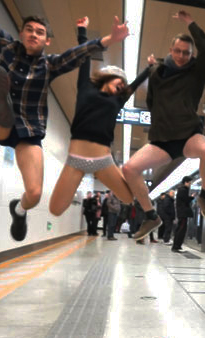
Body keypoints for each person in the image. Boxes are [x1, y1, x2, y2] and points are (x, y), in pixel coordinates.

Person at [0, 0, 128, 241]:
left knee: (35, 193)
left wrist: (110, 38)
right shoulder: (6, 46)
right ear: (22, 33)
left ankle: (19, 210)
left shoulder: (49, 65)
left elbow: (77, 55)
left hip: (29, 131)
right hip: (1, 123)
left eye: (40, 32)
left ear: (47, 41)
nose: (33, 35)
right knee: (0, 113)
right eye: (29, 30)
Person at [122, 10, 205, 241]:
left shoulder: (197, 73)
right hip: (162, 140)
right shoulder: (157, 73)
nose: (182, 56)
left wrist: (190, 22)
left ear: (191, 54)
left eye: (187, 52)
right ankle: (151, 215)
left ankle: (203, 194)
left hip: (188, 136)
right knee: (129, 169)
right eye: (178, 51)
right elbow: (151, 101)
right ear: (171, 51)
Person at [48, 17, 155, 218]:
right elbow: (84, 58)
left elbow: (133, 85)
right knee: (55, 209)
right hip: (76, 159)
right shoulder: (85, 88)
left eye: (124, 86)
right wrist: (82, 32)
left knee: (128, 198)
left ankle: (134, 179)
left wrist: (149, 68)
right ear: (107, 78)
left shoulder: (118, 101)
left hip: (103, 161)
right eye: (119, 82)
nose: (122, 87)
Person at [172, 177, 195, 252]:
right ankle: (176, 246)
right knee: (181, 229)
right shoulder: (183, 190)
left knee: (181, 229)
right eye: (189, 183)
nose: (190, 184)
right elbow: (186, 200)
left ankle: (177, 245)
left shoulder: (181, 189)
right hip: (183, 213)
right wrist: (191, 197)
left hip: (182, 213)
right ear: (186, 182)